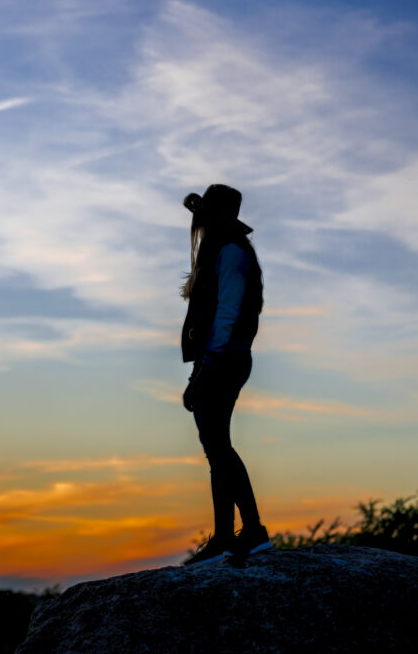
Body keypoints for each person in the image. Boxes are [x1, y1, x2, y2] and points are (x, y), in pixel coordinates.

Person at [180, 184, 271, 565]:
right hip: (219, 359)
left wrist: (207, 369)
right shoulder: (222, 249)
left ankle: (251, 531)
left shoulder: (231, 252)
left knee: (218, 446)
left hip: (225, 359)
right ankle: (224, 536)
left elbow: (227, 315)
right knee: (216, 448)